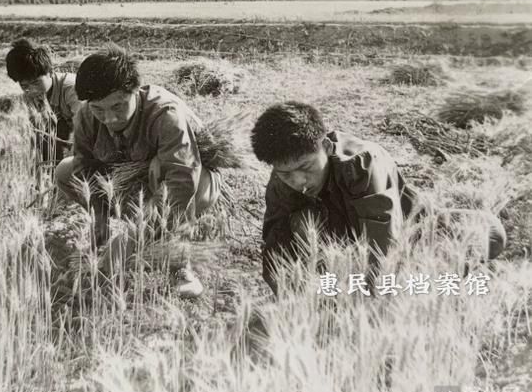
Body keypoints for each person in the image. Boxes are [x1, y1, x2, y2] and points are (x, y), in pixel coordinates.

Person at [250, 101, 507, 295]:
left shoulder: (363, 164)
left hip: (409, 234)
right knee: (297, 226)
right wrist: (296, 297)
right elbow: (274, 252)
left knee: (490, 233)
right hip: (340, 253)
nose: (298, 181)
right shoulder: (280, 184)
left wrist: (358, 299)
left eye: (306, 168)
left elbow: (383, 247)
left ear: (326, 148)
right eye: (285, 174)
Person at [54, 45, 222, 298]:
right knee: (65, 171)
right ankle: (141, 233)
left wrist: (129, 238)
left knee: (160, 171)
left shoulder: (166, 114)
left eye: (118, 107)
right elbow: (86, 168)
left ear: (134, 91)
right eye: (99, 109)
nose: (109, 119)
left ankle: (179, 265)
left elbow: (181, 181)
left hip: (192, 182)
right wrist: (99, 223)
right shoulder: (87, 116)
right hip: (136, 183)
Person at [5, 38, 81, 166]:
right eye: (24, 85)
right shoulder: (28, 96)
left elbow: (85, 130)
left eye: (35, 82)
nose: (31, 90)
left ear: (50, 72)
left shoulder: (72, 89)